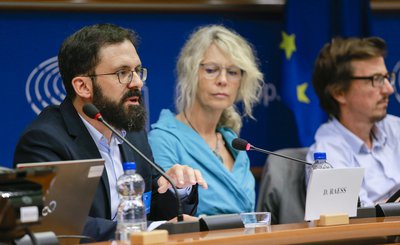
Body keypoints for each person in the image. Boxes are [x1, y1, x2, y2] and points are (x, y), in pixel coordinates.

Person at [13, 23, 207, 242]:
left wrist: (176, 188)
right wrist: (148, 230)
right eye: (122, 73)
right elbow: (59, 225)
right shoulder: (45, 141)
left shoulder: (132, 133)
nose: (137, 82)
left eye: (137, 71)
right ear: (83, 87)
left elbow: (159, 214)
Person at [148, 25, 264, 216]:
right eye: (211, 70)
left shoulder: (232, 140)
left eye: (233, 72)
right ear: (191, 73)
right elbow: (168, 215)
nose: (223, 80)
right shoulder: (163, 140)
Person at [306, 36, 400, 207]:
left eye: (387, 78)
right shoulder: (325, 158)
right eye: (376, 79)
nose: (389, 89)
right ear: (339, 92)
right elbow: (358, 221)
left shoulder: (396, 128)